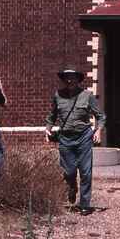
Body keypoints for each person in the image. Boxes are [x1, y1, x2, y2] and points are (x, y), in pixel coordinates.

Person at [45, 65, 106, 216]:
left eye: (72, 77)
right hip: (65, 138)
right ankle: (72, 186)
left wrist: (99, 130)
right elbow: (52, 116)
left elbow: (101, 116)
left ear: (78, 79)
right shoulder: (58, 96)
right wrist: (48, 128)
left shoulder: (87, 95)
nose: (70, 80)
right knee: (69, 171)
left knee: (85, 172)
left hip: (84, 137)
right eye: (67, 78)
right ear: (64, 80)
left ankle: (84, 204)